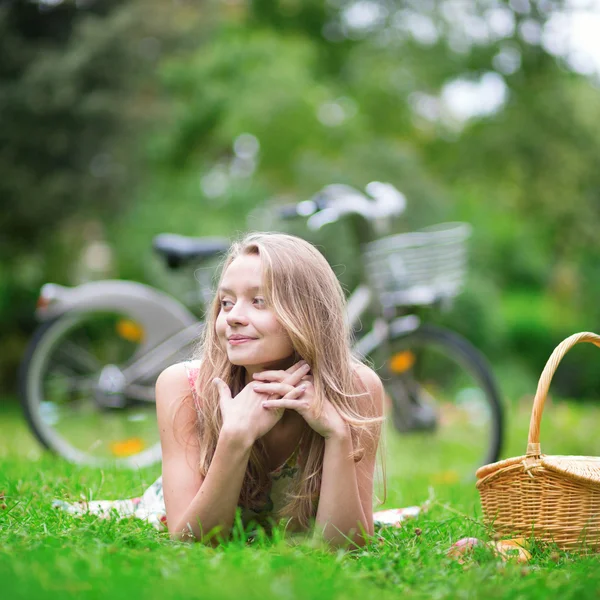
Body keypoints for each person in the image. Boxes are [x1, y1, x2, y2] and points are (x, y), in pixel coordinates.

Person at [56, 232, 415, 547]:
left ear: (310, 313)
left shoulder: (358, 389)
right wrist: (235, 438)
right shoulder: (184, 386)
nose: (233, 317)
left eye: (259, 301)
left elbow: (344, 546)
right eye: (226, 302)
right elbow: (190, 539)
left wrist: (336, 435)